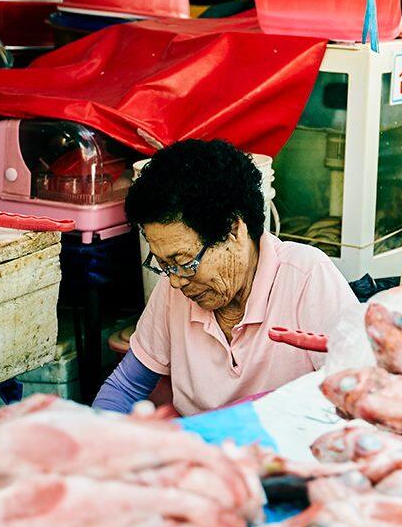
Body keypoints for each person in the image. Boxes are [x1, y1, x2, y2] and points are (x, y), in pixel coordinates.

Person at [94, 139, 357, 416]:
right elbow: (125, 387)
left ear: (234, 230)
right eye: (163, 264)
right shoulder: (175, 287)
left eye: (184, 262)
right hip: (202, 453)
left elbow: (357, 395)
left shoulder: (307, 276)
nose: (175, 280)